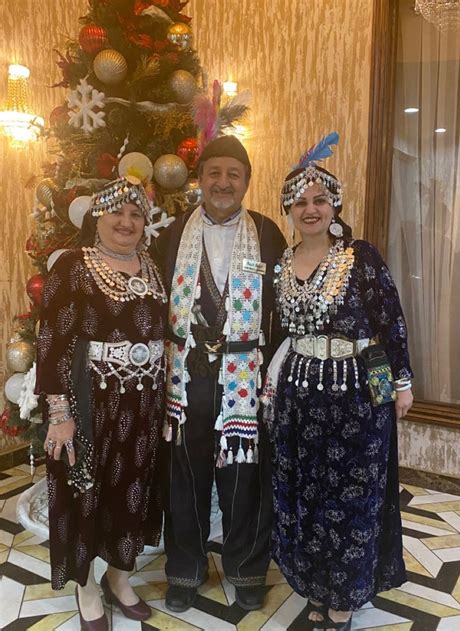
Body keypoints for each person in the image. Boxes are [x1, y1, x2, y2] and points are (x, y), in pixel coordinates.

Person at [262, 134, 413, 630]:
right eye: (300, 201)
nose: (310, 209)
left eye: (319, 200)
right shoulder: (281, 266)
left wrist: (399, 384)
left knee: (351, 499)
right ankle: (316, 584)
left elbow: (388, 325)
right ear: (287, 209)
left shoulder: (360, 257)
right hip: (299, 394)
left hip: (355, 396)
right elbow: (277, 333)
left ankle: (343, 599)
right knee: (305, 494)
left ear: (335, 205)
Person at [153, 135, 286, 613]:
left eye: (234, 174)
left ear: (247, 182)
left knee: (243, 478)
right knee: (183, 479)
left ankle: (246, 568)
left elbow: (284, 312)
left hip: (244, 379)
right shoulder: (170, 237)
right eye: (214, 173)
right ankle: (184, 571)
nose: (223, 182)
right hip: (185, 378)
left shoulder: (269, 235)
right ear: (200, 179)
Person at [36, 176, 167, 630]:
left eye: (136, 214)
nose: (126, 222)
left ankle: (119, 575)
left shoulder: (151, 265)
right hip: (92, 404)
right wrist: (59, 414)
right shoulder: (74, 265)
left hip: (145, 406)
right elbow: (51, 341)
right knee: (86, 494)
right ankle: (86, 587)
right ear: (98, 217)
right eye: (117, 212)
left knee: (131, 494)